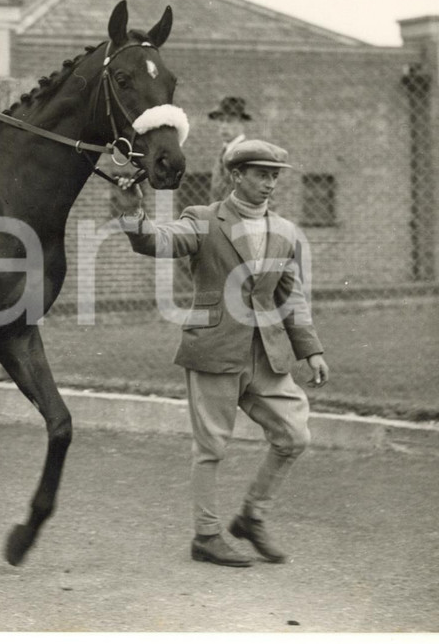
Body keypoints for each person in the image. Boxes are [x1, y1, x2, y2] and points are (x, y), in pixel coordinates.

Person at [112, 138, 329, 568]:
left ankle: (252, 516)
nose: (269, 184)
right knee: (211, 447)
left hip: (265, 356)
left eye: (274, 176)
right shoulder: (203, 220)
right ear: (236, 175)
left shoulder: (285, 232)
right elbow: (154, 241)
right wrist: (131, 211)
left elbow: (292, 296)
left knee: (294, 435)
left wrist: (311, 350)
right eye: (260, 174)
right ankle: (207, 536)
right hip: (213, 349)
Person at [208, 96, 251, 203]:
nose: (224, 126)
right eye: (221, 120)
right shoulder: (223, 152)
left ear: (242, 123)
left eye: (230, 121)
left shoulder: (248, 152)